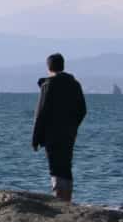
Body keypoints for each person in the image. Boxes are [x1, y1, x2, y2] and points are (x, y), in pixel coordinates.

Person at [32, 53, 87, 202]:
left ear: (49, 67)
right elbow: (82, 110)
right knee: (66, 166)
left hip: (52, 134)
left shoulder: (48, 85)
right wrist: (73, 126)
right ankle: (67, 198)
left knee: (55, 167)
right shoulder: (74, 84)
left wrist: (35, 138)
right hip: (69, 134)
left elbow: (40, 113)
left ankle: (59, 199)